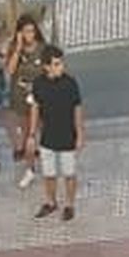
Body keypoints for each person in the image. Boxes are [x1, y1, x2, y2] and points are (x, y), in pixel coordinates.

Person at [28, 44, 85, 224]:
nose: (61, 67)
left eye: (61, 63)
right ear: (47, 66)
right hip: (47, 138)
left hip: (67, 136)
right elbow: (35, 108)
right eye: (57, 64)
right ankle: (51, 201)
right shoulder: (38, 84)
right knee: (49, 174)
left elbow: (77, 108)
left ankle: (69, 204)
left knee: (69, 173)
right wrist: (31, 134)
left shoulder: (70, 83)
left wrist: (80, 133)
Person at [4, 13, 47, 173]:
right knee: (27, 131)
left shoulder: (42, 48)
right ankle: (30, 165)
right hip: (21, 97)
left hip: (40, 96)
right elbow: (10, 70)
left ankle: (45, 156)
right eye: (26, 31)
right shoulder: (15, 48)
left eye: (32, 31)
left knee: (42, 128)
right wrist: (18, 48)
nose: (30, 35)